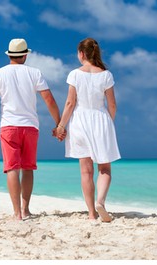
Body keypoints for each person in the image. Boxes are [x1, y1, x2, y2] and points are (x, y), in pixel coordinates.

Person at [0, 38, 62, 221]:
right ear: (25, 55)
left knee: (12, 169)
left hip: (9, 127)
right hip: (30, 127)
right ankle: (26, 209)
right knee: (28, 168)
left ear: (10, 54)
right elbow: (49, 100)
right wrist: (59, 124)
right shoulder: (35, 73)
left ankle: (17, 213)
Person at [54, 38, 121, 222]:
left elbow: (70, 103)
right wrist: (108, 123)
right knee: (105, 168)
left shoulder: (75, 74)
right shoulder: (106, 75)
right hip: (101, 119)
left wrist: (60, 126)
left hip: (80, 122)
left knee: (86, 171)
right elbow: (112, 105)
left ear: (81, 54)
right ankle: (101, 201)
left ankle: (91, 214)